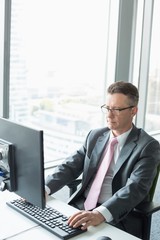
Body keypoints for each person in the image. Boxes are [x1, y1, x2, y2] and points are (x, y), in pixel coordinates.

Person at [45, 81, 160, 238]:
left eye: (117, 109)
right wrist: (44, 188)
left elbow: (135, 188)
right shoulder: (95, 135)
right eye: (107, 108)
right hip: (81, 206)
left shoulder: (147, 146)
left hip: (116, 215)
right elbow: (70, 166)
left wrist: (100, 213)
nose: (109, 115)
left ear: (133, 111)